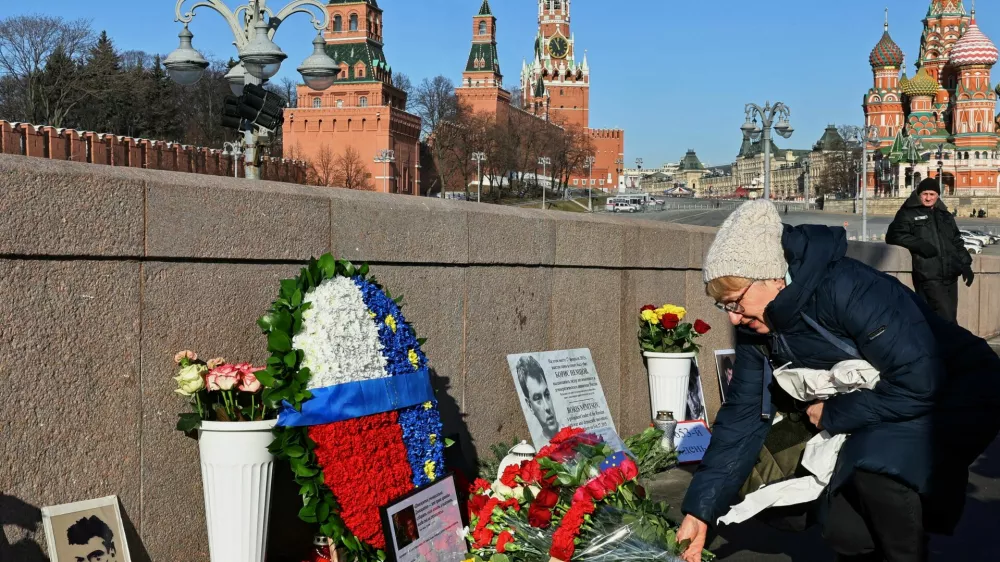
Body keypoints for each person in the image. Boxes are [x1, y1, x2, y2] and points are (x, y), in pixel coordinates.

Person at [676, 200, 1000, 562]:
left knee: (878, 469)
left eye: (735, 302)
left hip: (961, 388)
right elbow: (744, 413)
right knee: (846, 529)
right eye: (726, 308)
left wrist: (831, 413)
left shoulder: (848, 288)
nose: (733, 319)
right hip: (882, 394)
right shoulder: (760, 326)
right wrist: (699, 511)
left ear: (771, 276)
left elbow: (919, 382)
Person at [886, 178, 973, 323]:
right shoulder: (908, 213)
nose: (928, 198)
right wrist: (920, 245)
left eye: (932, 194)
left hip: (951, 275)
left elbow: (957, 241)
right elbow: (894, 235)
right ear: (919, 194)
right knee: (946, 320)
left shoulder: (945, 215)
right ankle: (950, 345)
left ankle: (937, 345)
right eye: (925, 194)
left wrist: (966, 265)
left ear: (938, 195)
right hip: (928, 275)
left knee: (944, 318)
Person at [516, 356, 561, 442]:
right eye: (538, 398)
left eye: (547, 394)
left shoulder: (574, 432)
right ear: (530, 406)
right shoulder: (537, 445)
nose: (547, 407)